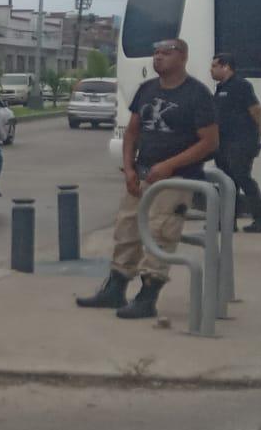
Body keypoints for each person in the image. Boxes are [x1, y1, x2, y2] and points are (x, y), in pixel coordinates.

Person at [78, 38, 218, 318]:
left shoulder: (197, 94)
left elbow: (209, 142)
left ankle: (148, 296)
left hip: (175, 180)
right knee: (126, 229)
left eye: (166, 53)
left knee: (160, 233)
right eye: (155, 53)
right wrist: (129, 168)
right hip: (141, 175)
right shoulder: (146, 90)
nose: (158, 58)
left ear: (183, 58)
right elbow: (132, 132)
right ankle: (115, 289)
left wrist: (169, 165)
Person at [211, 52, 261, 232]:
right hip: (223, 143)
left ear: (226, 66)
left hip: (241, 142)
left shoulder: (241, 85)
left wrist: (259, 135)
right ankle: (227, 222)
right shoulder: (220, 88)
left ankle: (260, 219)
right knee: (227, 182)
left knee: (243, 178)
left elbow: (256, 110)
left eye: (214, 66)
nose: (211, 70)